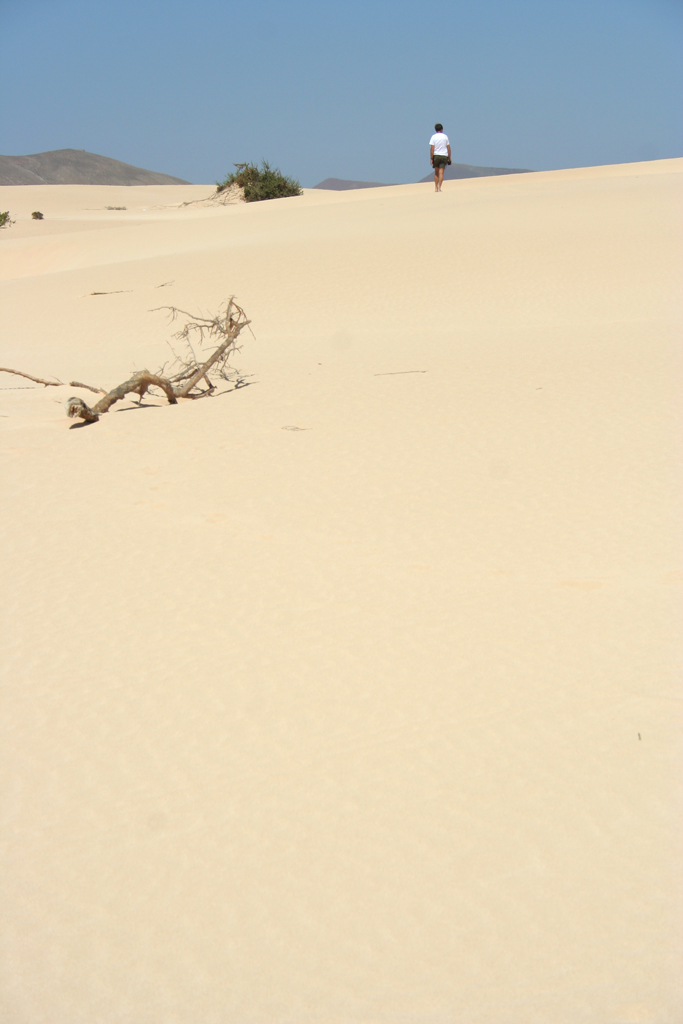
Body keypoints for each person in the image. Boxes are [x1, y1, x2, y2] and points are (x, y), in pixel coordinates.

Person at [429, 123, 451, 192]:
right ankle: (439, 187)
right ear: (442, 129)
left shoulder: (433, 137)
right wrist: (449, 158)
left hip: (436, 155)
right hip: (444, 155)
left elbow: (432, 148)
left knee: (436, 172)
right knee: (441, 173)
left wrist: (431, 158)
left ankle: (435, 187)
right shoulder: (445, 137)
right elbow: (448, 148)